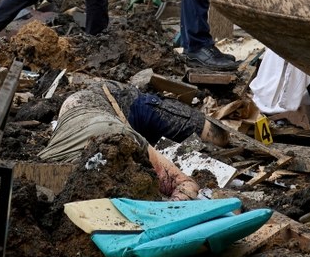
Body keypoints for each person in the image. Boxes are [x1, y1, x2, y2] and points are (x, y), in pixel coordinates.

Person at [39, 83, 204, 201]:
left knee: (212, 132)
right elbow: (185, 186)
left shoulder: (122, 141)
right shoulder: (52, 165)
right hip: (81, 110)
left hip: (111, 101)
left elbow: (185, 184)